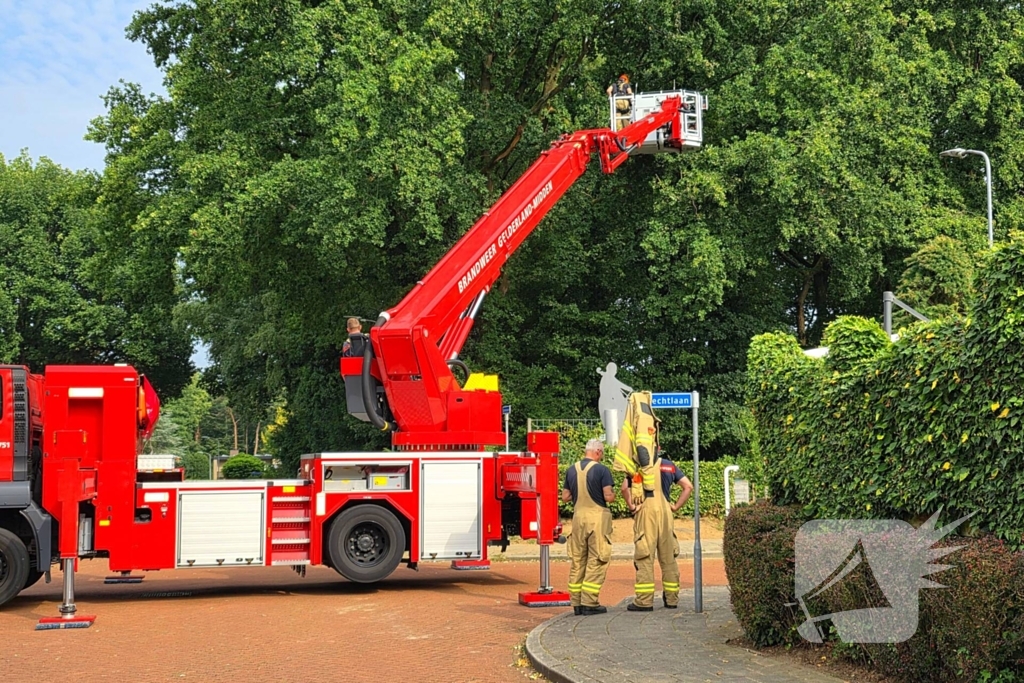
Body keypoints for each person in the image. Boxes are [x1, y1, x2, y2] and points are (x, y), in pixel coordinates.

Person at [621, 449, 693, 610]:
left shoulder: (637, 468)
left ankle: (644, 601)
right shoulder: (669, 465)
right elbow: (688, 486)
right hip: (666, 513)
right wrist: (675, 507)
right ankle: (672, 599)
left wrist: (632, 506)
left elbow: (624, 488)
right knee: (668, 558)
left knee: (644, 556)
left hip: (645, 512)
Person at [562, 438, 616, 616]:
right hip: (597, 520)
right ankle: (589, 602)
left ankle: (576, 603)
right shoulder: (602, 470)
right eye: (602, 453)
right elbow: (608, 497)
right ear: (598, 452)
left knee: (578, 561)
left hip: (578, 520)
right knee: (597, 559)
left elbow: (566, 497)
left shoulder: (571, 469)